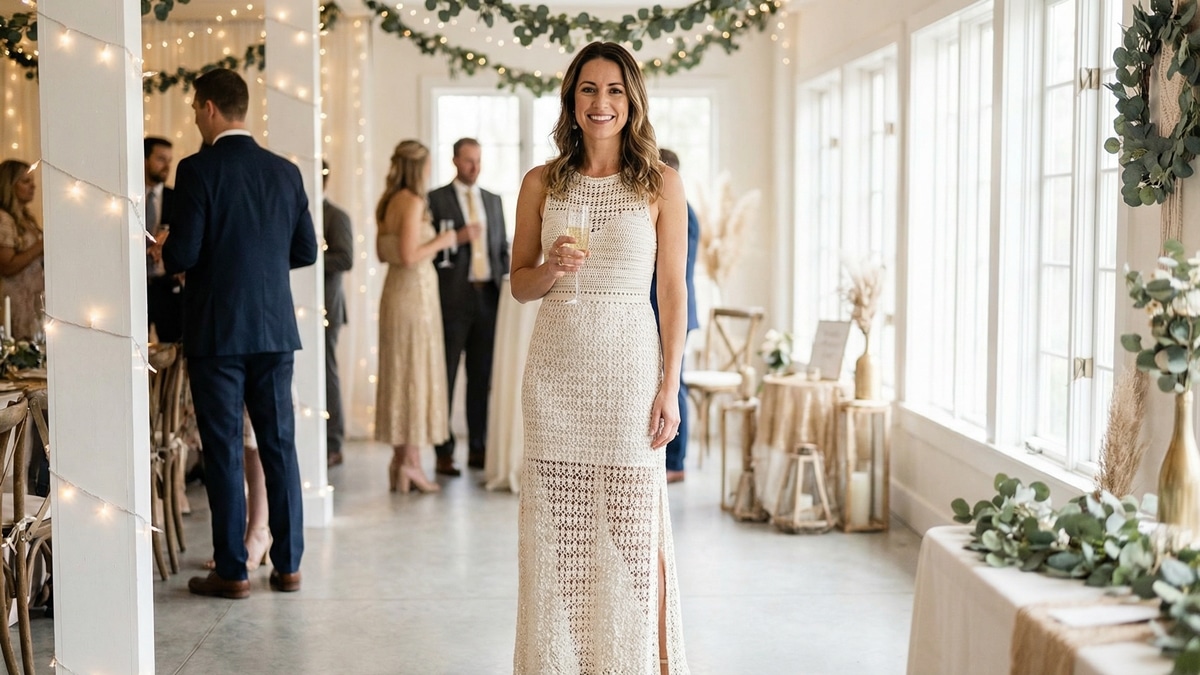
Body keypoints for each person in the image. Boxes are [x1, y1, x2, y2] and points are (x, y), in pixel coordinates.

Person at [509, 42, 689, 674]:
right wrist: (551, 268)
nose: (601, 102)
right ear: (572, 99)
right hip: (556, 371)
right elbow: (519, 284)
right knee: (564, 543)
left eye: (614, 90)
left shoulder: (661, 181)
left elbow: (671, 291)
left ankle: (648, 661)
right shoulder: (541, 181)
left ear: (631, 99)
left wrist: (669, 388)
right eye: (589, 89)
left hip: (628, 370)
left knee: (637, 535)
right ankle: (577, 662)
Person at [163, 68, 317, 599]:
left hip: (217, 333)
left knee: (225, 449)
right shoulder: (285, 172)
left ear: (207, 108)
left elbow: (183, 254)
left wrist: (165, 246)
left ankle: (232, 571)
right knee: (279, 447)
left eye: (194, 111)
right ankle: (289, 564)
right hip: (274, 330)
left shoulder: (196, 169)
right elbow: (306, 252)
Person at [374, 140, 459, 494]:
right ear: (419, 168)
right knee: (413, 371)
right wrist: (444, 240)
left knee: (401, 369)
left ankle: (399, 461)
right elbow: (409, 255)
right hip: (414, 296)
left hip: (397, 293)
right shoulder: (411, 202)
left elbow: (384, 252)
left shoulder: (389, 201)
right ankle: (411, 463)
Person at [428, 138, 509, 476]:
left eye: (478, 160)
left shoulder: (493, 200)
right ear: (454, 161)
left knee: (482, 378)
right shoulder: (435, 199)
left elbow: (502, 249)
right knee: (444, 376)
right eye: (468, 161)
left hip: (488, 299)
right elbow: (428, 251)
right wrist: (457, 237)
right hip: (451, 299)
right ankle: (443, 451)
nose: (474, 167)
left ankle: (479, 448)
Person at [650, 149, 700, 484]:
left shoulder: (681, 209)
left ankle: (676, 460)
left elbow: (674, 272)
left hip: (673, 307)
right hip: (656, 306)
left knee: (674, 381)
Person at [321, 161, 354, 468]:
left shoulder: (336, 215)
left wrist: (311, 254)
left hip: (327, 306)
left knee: (327, 371)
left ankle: (333, 443)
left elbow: (346, 258)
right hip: (294, 308)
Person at [144, 136, 185, 343]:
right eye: (161, 159)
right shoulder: (127, 197)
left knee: (171, 350)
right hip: (135, 286)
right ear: (144, 159)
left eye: (170, 160)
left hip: (167, 287)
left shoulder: (178, 198)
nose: (167, 166)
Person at [0, 160, 44, 340]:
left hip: (33, 297)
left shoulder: (27, 218)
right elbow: (7, 266)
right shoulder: (3, 219)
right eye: (25, 181)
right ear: (9, 185)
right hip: (15, 299)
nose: (33, 186)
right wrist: (40, 245)